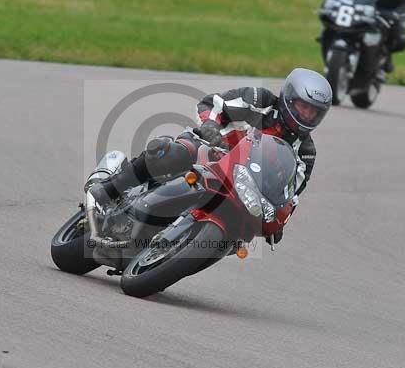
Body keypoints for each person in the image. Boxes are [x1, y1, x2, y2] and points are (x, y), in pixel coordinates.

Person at [88, 68, 332, 242]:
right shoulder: (259, 100)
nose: (307, 116)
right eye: (303, 107)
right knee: (175, 153)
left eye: (314, 112)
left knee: (244, 233)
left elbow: (290, 192)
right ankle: (111, 188)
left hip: (241, 184)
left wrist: (280, 219)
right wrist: (211, 126)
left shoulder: (306, 152)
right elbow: (211, 104)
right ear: (289, 98)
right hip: (210, 148)